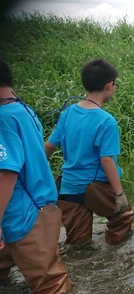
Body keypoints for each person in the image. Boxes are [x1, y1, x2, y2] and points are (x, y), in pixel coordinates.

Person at [0, 58, 73, 293]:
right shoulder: (23, 110)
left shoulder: (3, 117)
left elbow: (6, 173)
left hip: (21, 214)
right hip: (39, 207)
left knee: (52, 285)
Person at [44, 59, 133, 246]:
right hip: (96, 187)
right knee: (123, 217)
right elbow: (106, 160)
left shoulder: (68, 113)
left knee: (78, 244)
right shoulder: (106, 121)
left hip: (68, 188)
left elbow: (49, 147)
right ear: (110, 85)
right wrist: (119, 193)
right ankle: (117, 260)